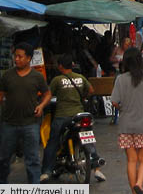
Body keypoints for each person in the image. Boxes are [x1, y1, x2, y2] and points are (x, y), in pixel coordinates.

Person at [0, 42, 51, 184]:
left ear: (28, 58)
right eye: (15, 56)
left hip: (30, 124)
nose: (16, 59)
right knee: (3, 158)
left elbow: (47, 94)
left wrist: (41, 106)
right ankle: (1, 184)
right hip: (9, 123)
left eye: (20, 57)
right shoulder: (7, 76)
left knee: (32, 159)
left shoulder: (37, 76)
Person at [40, 54, 105, 183]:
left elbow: (48, 95)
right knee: (88, 139)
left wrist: (41, 105)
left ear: (60, 66)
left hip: (62, 116)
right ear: (72, 65)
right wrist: (83, 97)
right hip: (79, 115)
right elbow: (91, 90)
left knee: (52, 142)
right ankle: (97, 168)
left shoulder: (57, 80)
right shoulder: (80, 78)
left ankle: (46, 171)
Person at [111, 48, 143, 194]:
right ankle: (139, 185)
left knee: (131, 161)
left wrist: (123, 109)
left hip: (126, 125)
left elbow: (114, 102)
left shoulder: (120, 79)